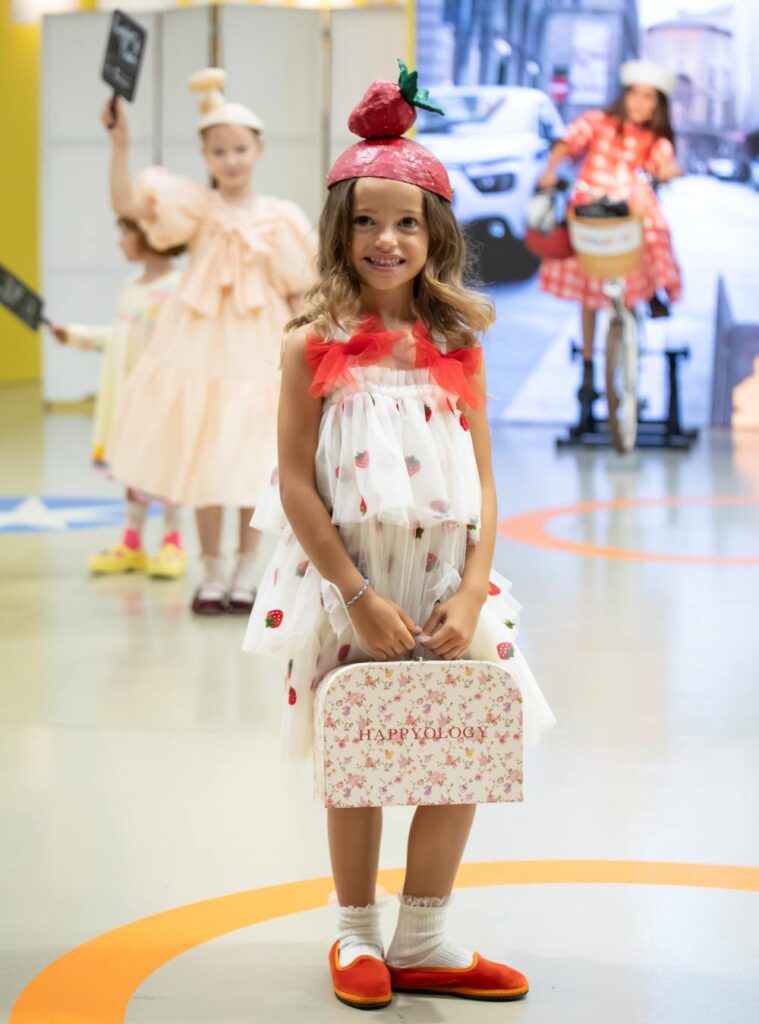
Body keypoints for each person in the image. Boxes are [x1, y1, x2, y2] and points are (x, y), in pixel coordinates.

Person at [243, 63, 555, 1010]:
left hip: (443, 581)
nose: (387, 240)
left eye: (407, 222)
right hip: (353, 583)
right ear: (341, 229)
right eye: (367, 221)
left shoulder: (456, 339)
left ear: (435, 233)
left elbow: (487, 481)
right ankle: (354, 935)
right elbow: (295, 483)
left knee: (458, 739)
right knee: (359, 757)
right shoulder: (310, 342)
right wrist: (355, 597)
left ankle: (422, 935)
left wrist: (470, 591)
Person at [103, 68, 315, 614]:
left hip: (258, 349)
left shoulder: (281, 218)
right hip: (196, 347)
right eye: (219, 150)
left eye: (240, 148)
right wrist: (121, 142)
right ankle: (212, 570)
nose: (231, 159)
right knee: (200, 457)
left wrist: (313, 356)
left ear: (259, 151)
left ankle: (247, 570)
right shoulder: (195, 209)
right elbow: (128, 204)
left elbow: (302, 290)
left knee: (250, 461)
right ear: (206, 155)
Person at [537, 60, 684, 403]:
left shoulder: (655, 138)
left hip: (631, 208)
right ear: (626, 95)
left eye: (650, 98)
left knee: (654, 228)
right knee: (588, 290)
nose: (642, 103)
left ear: (658, 104)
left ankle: (654, 292)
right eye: (637, 95)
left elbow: (667, 163)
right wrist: (551, 170)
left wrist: (668, 173)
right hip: (592, 205)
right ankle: (588, 366)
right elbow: (568, 142)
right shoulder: (598, 122)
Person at [47, 219, 185, 577]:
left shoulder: (178, 287)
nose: (120, 241)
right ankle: (132, 543)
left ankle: (173, 542)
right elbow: (121, 336)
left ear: (149, 237)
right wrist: (76, 336)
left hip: (161, 395)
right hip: (127, 394)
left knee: (167, 467)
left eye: (125, 233)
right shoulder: (130, 286)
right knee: (131, 467)